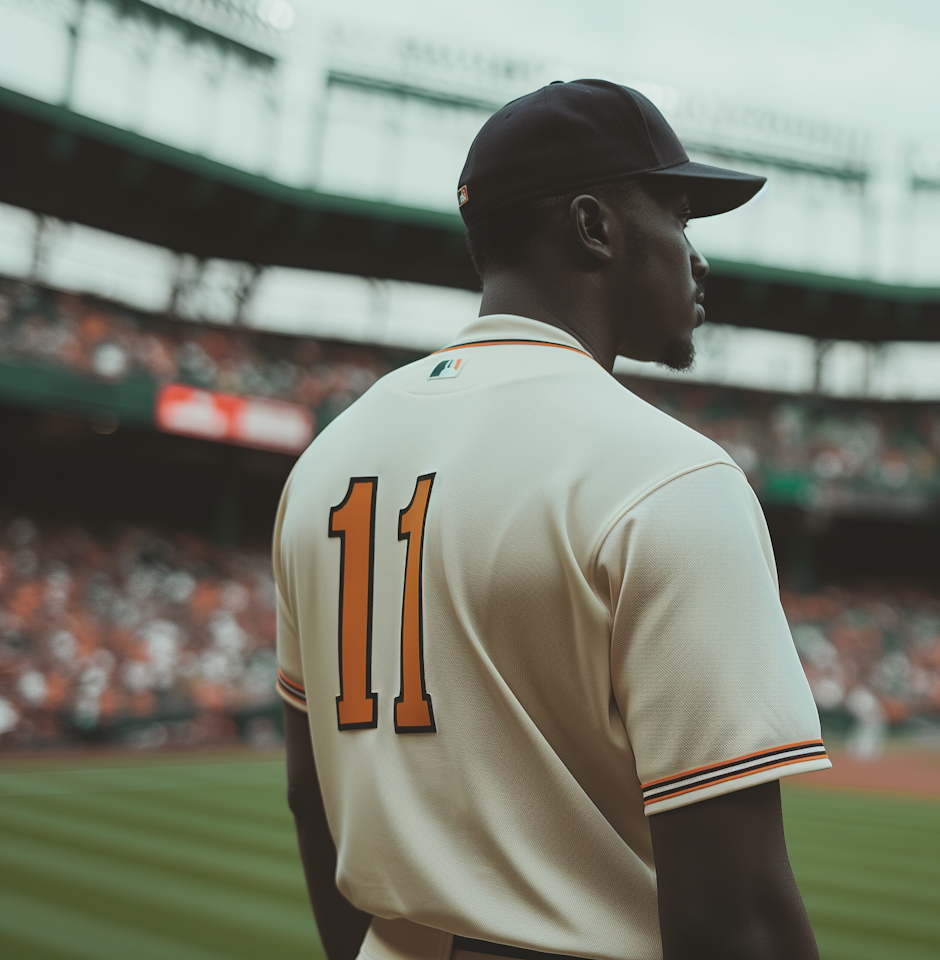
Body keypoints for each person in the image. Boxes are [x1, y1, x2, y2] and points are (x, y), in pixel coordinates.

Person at [276, 79, 829, 960]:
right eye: (680, 216)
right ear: (593, 227)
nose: (697, 257)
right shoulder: (671, 475)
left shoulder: (324, 464)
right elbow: (737, 919)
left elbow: (313, 800)